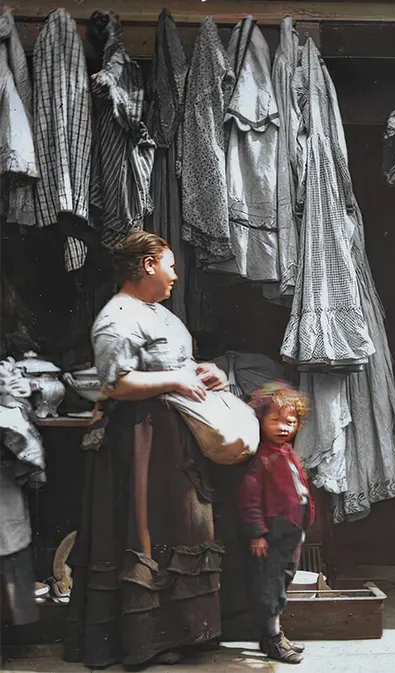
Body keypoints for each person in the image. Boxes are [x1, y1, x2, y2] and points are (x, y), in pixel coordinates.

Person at [64, 231, 229, 670]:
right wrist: (176, 381)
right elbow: (116, 383)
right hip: (140, 439)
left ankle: (182, 632)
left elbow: (173, 366)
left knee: (179, 527)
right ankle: (143, 641)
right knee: (145, 531)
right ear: (149, 264)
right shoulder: (118, 316)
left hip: (172, 435)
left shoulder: (159, 313)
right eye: (171, 265)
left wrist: (204, 372)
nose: (177, 274)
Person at [237, 382, 314, 664]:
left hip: (291, 533)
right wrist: (257, 534)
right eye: (276, 420)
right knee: (271, 586)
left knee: (283, 581)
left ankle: (276, 634)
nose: (284, 427)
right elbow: (250, 500)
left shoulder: (288, 453)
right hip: (272, 534)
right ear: (261, 421)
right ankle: (272, 639)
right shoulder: (262, 459)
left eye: (290, 422)